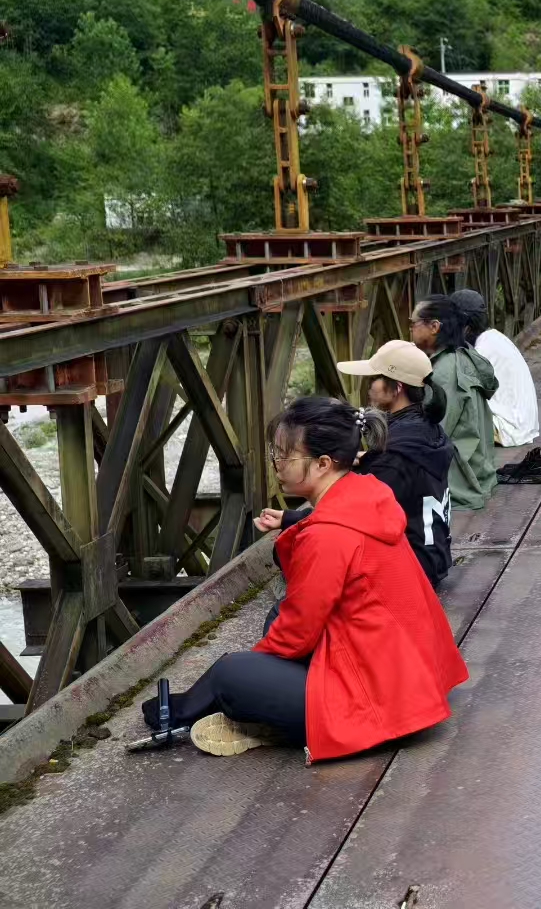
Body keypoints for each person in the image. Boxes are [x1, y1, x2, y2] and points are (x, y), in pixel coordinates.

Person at [142, 396, 467, 760]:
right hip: (406, 679)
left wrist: (256, 673)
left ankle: (186, 714)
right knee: (276, 619)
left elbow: (298, 632)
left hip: (376, 706)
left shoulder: (328, 535)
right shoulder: (367, 494)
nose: (277, 465)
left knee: (230, 674)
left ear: (322, 464)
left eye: (284, 456)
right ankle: (265, 712)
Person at [332, 339, 455, 585]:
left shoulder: (394, 453)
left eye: (374, 378)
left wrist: (291, 519)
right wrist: (369, 460)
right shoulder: (426, 430)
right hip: (434, 555)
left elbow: (357, 511)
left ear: (397, 387)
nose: (368, 386)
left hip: (413, 569)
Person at [411, 294, 500, 510]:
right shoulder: (464, 353)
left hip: (461, 480)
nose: (410, 330)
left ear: (434, 327)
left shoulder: (444, 371)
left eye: (413, 324)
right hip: (480, 470)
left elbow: (436, 435)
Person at [451, 288, 540, 447]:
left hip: (509, 428)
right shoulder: (494, 338)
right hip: (522, 423)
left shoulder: (482, 351)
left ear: (465, 325)